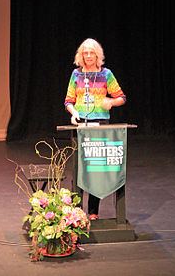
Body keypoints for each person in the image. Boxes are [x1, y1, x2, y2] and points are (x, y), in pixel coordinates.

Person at [64, 38, 126, 220]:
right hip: (81, 123)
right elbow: (68, 100)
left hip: (101, 126)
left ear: (98, 55)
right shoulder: (76, 75)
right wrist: (73, 112)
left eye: (92, 53)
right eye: (85, 53)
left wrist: (111, 102)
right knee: (80, 167)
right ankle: (76, 212)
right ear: (81, 56)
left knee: (96, 168)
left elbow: (121, 97)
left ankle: (92, 212)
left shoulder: (106, 74)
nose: (89, 56)